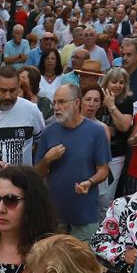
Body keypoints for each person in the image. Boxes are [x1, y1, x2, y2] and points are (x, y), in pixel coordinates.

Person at [34, 83, 121, 240]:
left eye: (61, 102)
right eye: (54, 103)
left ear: (76, 103)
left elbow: (103, 170)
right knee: (55, 260)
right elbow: (37, 174)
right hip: (55, 212)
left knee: (82, 262)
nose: (56, 107)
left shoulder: (96, 132)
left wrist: (89, 182)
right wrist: (47, 160)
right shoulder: (48, 132)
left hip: (85, 212)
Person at [0, 67, 46, 168]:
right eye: (3, 91)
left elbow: (41, 142)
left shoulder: (31, 110)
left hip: (23, 180)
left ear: (18, 88)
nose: (7, 96)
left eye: (12, 91)